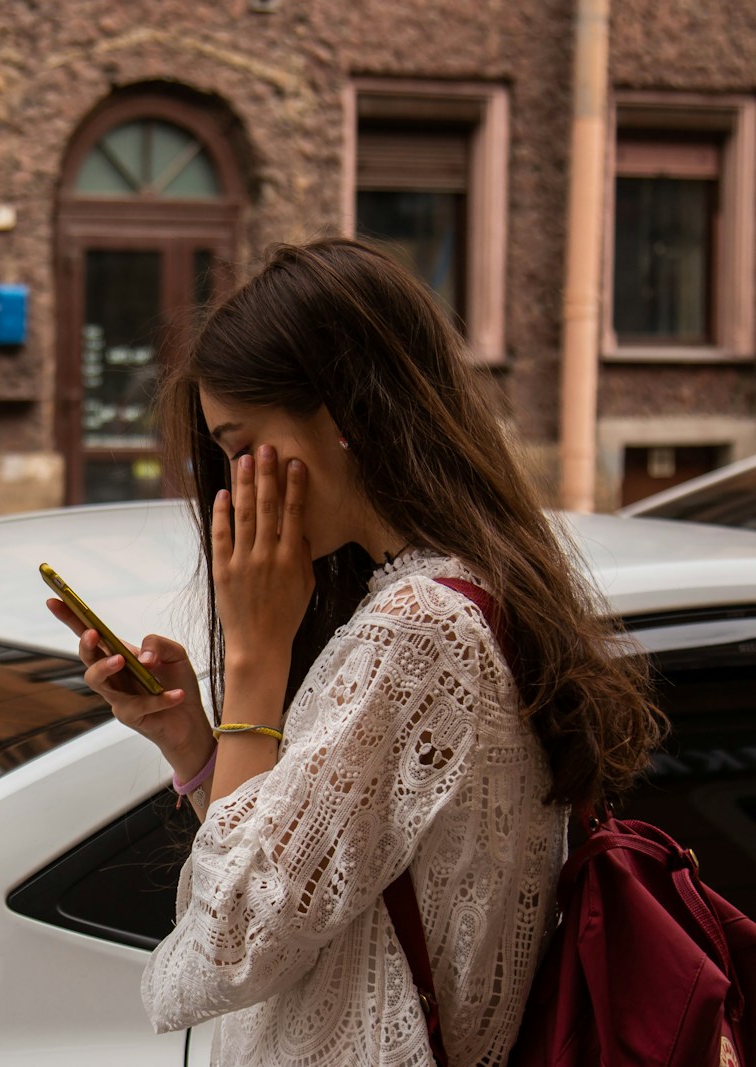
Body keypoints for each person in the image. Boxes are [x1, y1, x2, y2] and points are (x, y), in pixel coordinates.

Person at [46, 238, 665, 1066]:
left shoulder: (419, 632)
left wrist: (257, 665)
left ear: (340, 413)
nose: (232, 485)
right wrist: (194, 742)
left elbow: (229, 943)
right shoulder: (446, 598)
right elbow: (304, 881)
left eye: (240, 443)